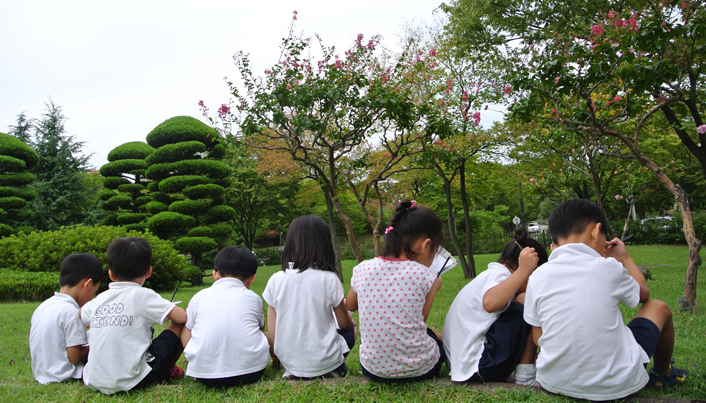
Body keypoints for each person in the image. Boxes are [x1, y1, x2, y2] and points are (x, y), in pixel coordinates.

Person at [524, 199, 687, 400]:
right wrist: (624, 257)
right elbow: (644, 294)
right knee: (658, 307)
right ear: (596, 230)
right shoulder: (608, 267)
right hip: (615, 384)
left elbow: (537, 337)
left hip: (554, 382)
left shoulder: (537, 276)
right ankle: (663, 374)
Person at [347, 200, 445, 382]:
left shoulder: (363, 268)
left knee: (429, 333)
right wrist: (434, 286)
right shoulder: (424, 274)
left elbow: (351, 304)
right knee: (436, 340)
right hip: (419, 370)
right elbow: (420, 318)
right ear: (426, 245)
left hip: (373, 369)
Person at [80, 238, 186, 394]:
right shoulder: (143, 295)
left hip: (94, 380)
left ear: (111, 273)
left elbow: (80, 314)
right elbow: (182, 317)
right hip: (134, 380)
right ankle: (167, 370)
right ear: (148, 271)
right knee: (179, 324)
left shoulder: (100, 299)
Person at [443, 228, 548, 386]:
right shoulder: (500, 275)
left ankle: (519, 371)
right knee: (526, 300)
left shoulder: (490, 275)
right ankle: (526, 378)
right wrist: (523, 271)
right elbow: (490, 303)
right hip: (479, 366)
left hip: (466, 367)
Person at [263, 215, 355, 380]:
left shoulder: (275, 279)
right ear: (324, 245)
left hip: (289, 362)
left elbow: (274, 331)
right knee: (352, 326)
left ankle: (292, 371)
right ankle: (334, 368)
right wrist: (343, 308)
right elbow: (344, 323)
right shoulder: (329, 278)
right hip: (327, 363)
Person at [182, 245, 273, 387]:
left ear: (215, 274)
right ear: (252, 278)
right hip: (252, 372)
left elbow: (188, 330)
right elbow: (260, 329)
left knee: (187, 327)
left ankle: (196, 357)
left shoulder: (199, 297)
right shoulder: (253, 297)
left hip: (203, 375)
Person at [29, 253, 102, 384]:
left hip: (43, 372)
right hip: (64, 374)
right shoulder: (72, 313)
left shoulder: (44, 306)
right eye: (94, 292)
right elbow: (75, 357)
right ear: (87, 284)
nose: (92, 297)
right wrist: (99, 341)